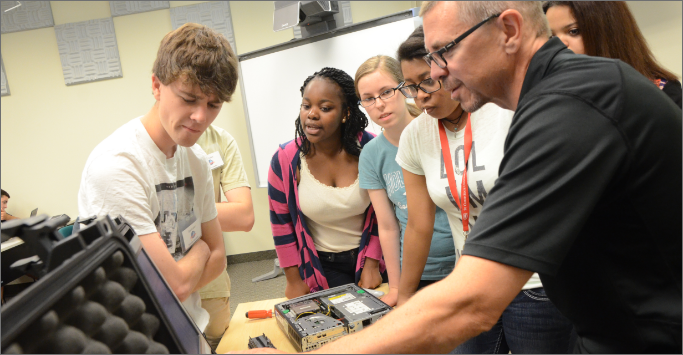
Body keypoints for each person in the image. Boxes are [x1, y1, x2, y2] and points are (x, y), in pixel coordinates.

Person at [243, 2, 681, 353]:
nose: (434, 73)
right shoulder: (548, 100)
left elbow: (472, 301)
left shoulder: (572, 105)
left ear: (508, 30)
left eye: (443, 52)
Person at [395, 25, 575, 353]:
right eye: (409, 87)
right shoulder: (415, 136)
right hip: (471, 284)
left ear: (448, 69)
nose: (420, 95)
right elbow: (419, 225)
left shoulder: (504, 110)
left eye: (427, 80)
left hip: (532, 282)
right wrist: (405, 297)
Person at [78, 23, 239, 332]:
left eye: (213, 104)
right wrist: (201, 249)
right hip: (137, 338)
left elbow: (219, 260)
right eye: (190, 98)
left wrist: (195, 265)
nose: (201, 117)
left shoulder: (195, 161)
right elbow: (175, 284)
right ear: (156, 85)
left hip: (190, 327)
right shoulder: (118, 167)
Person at [268, 67, 386, 300]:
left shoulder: (370, 148)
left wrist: (372, 263)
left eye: (325, 108)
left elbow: (384, 213)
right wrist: (293, 280)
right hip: (322, 265)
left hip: (375, 258)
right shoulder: (285, 159)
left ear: (345, 113)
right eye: (306, 105)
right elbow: (281, 225)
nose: (311, 114)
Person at [355, 55, 454, 307]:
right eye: (368, 98)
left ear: (404, 88)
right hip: (416, 272)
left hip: (461, 263)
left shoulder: (437, 129)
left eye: (386, 92)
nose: (379, 104)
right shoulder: (371, 154)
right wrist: (397, 287)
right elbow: (388, 227)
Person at [544, 1, 682, 108]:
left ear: (607, 34)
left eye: (574, 31)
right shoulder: (551, 99)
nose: (559, 44)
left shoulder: (661, 93)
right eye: (552, 37)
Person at [195, 124, 254, 350]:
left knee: (218, 345)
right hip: (164, 285)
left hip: (211, 280)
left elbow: (244, 217)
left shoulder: (219, 139)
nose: (201, 114)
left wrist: (182, 213)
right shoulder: (136, 151)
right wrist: (207, 214)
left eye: (212, 103)